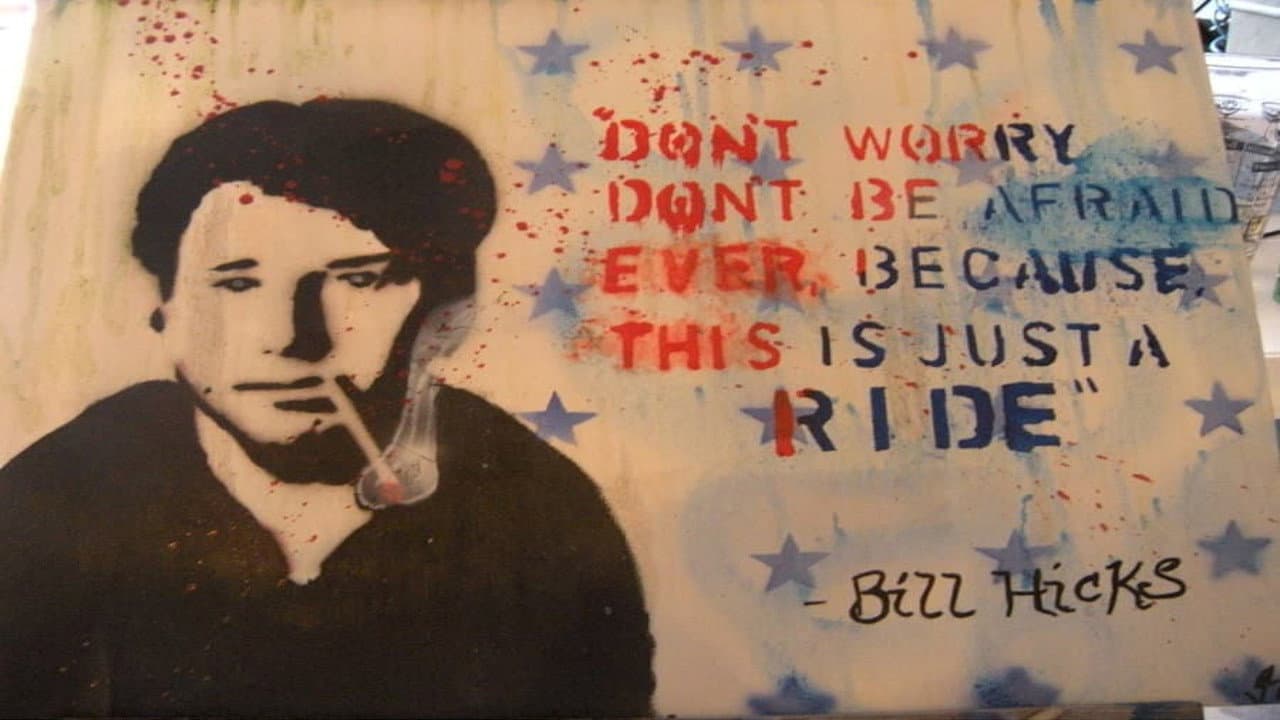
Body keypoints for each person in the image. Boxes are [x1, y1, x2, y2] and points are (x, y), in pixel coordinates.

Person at [0, 99, 654, 717]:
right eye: (237, 282)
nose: (296, 338)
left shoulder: (532, 508)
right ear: (164, 312)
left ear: (442, 310)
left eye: (360, 279)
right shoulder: (64, 494)